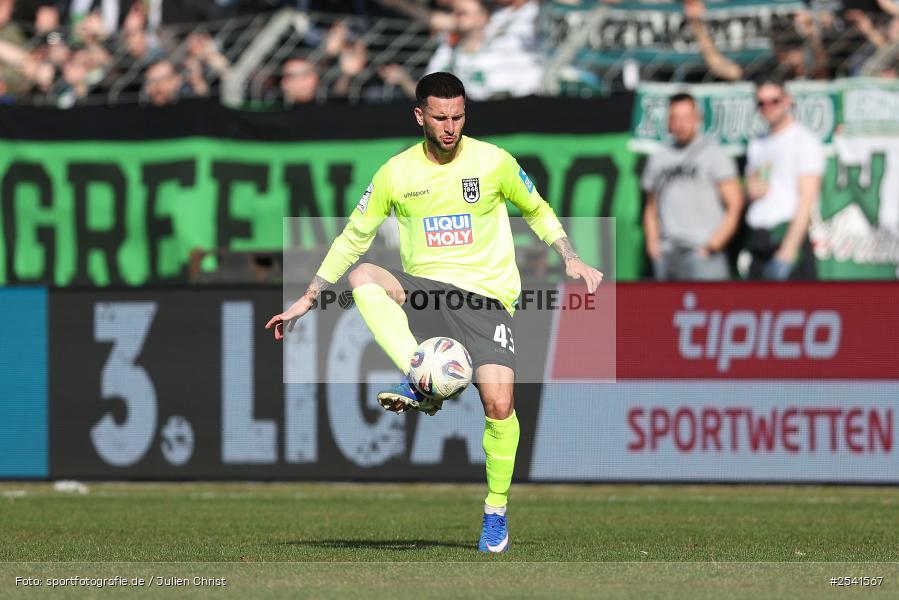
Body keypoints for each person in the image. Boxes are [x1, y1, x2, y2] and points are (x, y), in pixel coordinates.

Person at [265, 72, 602, 553]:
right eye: (441, 117)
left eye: (459, 116)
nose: (450, 126)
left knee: (500, 406)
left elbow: (537, 207)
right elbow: (353, 237)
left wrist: (569, 254)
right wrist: (310, 294)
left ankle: (495, 512)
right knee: (363, 276)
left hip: (487, 299)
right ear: (419, 116)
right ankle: (416, 376)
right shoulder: (395, 173)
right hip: (427, 293)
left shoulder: (494, 162)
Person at [641, 93, 743, 280]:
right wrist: (653, 245)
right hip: (667, 253)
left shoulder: (714, 155)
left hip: (702, 254)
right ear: (668, 121)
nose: (681, 124)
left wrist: (713, 244)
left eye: (686, 117)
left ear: (698, 119)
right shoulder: (658, 158)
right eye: (676, 118)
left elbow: (735, 204)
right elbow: (651, 207)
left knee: (709, 307)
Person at [743, 76, 825, 280]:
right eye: (761, 103)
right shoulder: (757, 143)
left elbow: (807, 200)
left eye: (774, 101)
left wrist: (788, 251)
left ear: (787, 100)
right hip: (759, 240)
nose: (768, 107)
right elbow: (751, 188)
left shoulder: (804, 141)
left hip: (787, 239)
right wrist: (749, 191)